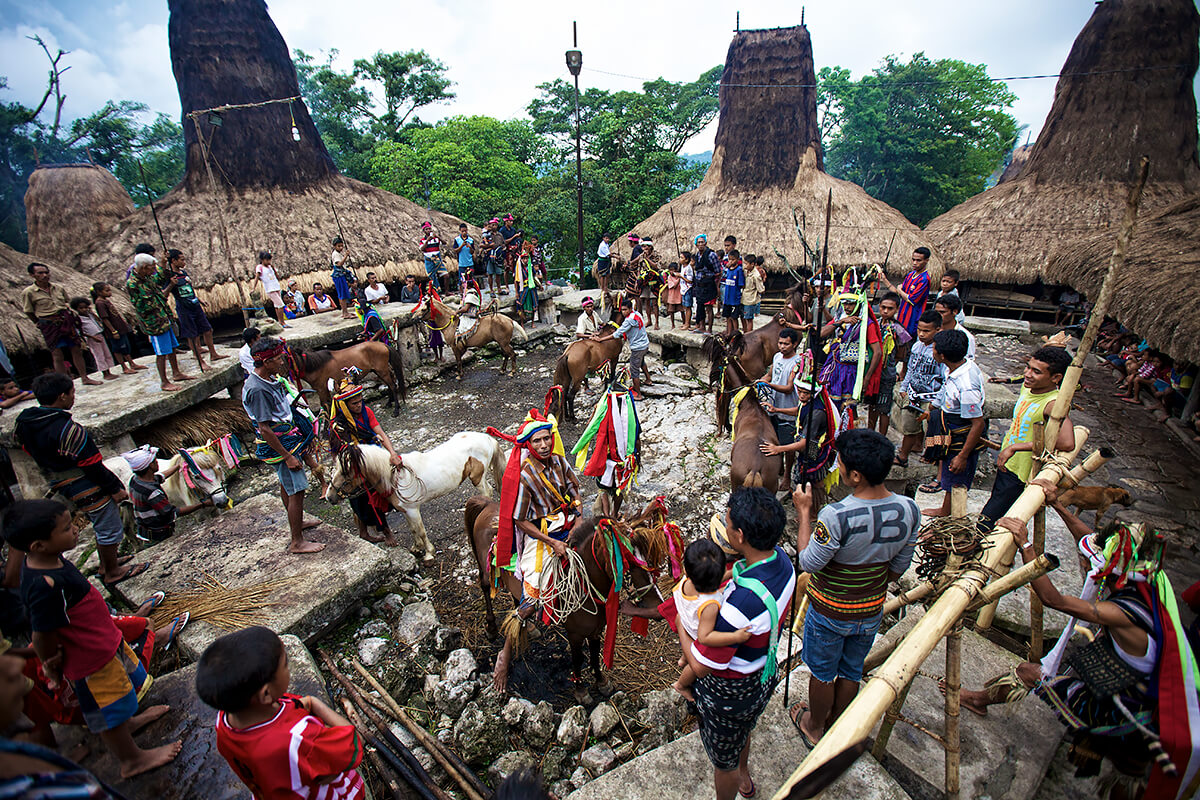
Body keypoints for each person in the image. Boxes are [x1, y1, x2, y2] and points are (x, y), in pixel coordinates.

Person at [957, 497, 1196, 800]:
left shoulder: (1121, 612)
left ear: (1106, 568)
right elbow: (1086, 538)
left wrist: (1026, 546)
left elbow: (1054, 601)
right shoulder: (1147, 581)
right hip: (1132, 690)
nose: (1084, 563)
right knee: (1128, 770)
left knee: (1030, 674)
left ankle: (977, 700)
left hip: (1128, 706)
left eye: (1090, 561)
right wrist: (1057, 503)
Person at [3, 499, 182, 778]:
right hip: (90, 658)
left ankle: (130, 722)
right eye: (66, 528)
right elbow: (42, 633)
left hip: (103, 640)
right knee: (107, 710)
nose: (76, 530)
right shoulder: (44, 586)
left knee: (121, 694)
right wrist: (50, 662)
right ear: (38, 544)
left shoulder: (50, 559)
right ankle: (131, 759)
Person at [789, 429, 920, 748]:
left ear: (855, 475)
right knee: (850, 671)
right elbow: (897, 569)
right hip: (871, 608)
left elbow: (809, 562)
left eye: (841, 463)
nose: (837, 467)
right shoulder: (909, 510)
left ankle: (814, 725)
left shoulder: (837, 516)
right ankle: (837, 721)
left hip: (829, 611)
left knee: (822, 672)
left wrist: (805, 512)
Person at [682, 487, 795, 800]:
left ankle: (732, 779)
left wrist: (680, 625)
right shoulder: (783, 562)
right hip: (764, 675)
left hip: (732, 692)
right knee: (744, 729)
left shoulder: (738, 607)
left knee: (723, 762)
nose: (724, 525)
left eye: (728, 523)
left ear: (741, 536)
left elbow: (702, 666)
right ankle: (743, 773)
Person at [196, 626, 365, 800]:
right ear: (266, 694)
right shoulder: (298, 739)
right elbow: (354, 745)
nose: (289, 668)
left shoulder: (224, 723)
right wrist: (316, 704)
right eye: (285, 664)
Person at [13, 373, 143, 587]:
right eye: (72, 393)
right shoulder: (69, 430)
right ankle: (112, 571)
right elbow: (92, 465)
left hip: (56, 479)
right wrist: (115, 488)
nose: (74, 397)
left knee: (101, 524)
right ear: (62, 396)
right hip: (83, 483)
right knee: (108, 525)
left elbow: (25, 448)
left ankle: (107, 563)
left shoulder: (25, 424)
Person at [490, 413, 582, 693]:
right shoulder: (526, 475)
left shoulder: (560, 461)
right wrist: (551, 542)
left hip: (568, 526)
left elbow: (575, 491)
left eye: (546, 439)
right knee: (535, 592)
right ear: (529, 444)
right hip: (541, 536)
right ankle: (505, 653)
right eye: (537, 441)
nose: (543, 445)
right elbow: (520, 520)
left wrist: (578, 519)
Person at [241, 337, 326, 554]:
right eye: (278, 358)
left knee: (285, 485)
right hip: (280, 443)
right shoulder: (258, 389)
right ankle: (297, 541)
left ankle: (297, 522)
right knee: (297, 489)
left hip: (285, 435)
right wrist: (288, 456)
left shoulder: (269, 379)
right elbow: (265, 428)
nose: (281, 362)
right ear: (266, 361)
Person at [977, 347, 1075, 531]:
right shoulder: (1029, 387)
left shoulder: (1053, 404)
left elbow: (1067, 442)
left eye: (1036, 371)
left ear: (1055, 378)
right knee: (995, 510)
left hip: (1021, 473)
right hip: (1009, 464)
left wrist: (1016, 447)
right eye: (1028, 367)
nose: (1027, 374)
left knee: (988, 521)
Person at [671, 538, 752, 700]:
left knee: (687, 638)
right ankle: (681, 685)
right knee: (694, 669)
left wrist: (732, 573)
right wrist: (735, 637)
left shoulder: (688, 580)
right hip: (696, 631)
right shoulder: (710, 605)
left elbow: (711, 581)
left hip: (686, 618)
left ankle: (683, 658)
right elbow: (704, 636)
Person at [328, 381, 402, 547]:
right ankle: (379, 531)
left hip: (372, 457)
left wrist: (392, 453)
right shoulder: (339, 424)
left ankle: (376, 528)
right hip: (353, 461)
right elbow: (338, 450)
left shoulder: (366, 411)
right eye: (354, 403)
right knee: (359, 498)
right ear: (344, 405)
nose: (358, 405)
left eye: (360, 400)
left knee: (383, 489)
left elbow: (379, 432)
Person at [921, 329, 986, 516]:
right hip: (949, 421)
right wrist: (932, 408)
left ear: (942, 355)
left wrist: (963, 455)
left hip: (961, 430)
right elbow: (945, 388)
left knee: (956, 472)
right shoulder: (957, 368)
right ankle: (946, 508)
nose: (932, 351)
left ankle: (949, 513)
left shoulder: (967, 385)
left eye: (934, 348)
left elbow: (977, 423)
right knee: (949, 469)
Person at [761, 363, 839, 512]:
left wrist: (778, 449)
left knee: (814, 481)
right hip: (809, 445)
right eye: (800, 391)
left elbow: (804, 443)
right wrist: (777, 409)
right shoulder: (808, 403)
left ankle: (813, 512)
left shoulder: (816, 414)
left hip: (813, 449)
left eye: (806, 392)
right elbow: (799, 410)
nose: (802, 395)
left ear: (813, 393)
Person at [22, 263, 100, 386]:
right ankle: (64, 383)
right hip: (49, 323)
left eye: (46, 272)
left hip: (65, 320)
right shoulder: (29, 292)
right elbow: (28, 311)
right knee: (57, 354)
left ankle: (85, 378)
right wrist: (38, 322)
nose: (45, 275)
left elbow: (66, 302)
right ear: (32, 275)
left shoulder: (58, 288)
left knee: (76, 349)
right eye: (40, 273)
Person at [127, 253, 195, 392]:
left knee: (172, 347)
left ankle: (176, 373)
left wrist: (164, 264)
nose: (154, 270)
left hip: (164, 317)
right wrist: (169, 287)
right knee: (161, 352)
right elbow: (150, 304)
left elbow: (159, 278)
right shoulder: (133, 284)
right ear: (144, 267)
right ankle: (164, 382)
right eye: (152, 268)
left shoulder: (147, 277)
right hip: (155, 323)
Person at [121, 445, 214, 543]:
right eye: (154, 461)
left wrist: (178, 465)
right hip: (158, 535)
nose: (157, 462)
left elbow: (160, 476)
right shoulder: (153, 493)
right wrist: (202, 504)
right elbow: (173, 513)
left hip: (146, 531)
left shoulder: (136, 480)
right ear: (150, 466)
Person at [892, 310, 946, 467]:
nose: (922, 334)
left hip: (930, 396)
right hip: (914, 393)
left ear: (938, 330)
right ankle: (903, 456)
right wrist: (904, 386)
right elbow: (911, 369)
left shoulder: (940, 352)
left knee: (931, 428)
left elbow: (945, 379)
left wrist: (936, 402)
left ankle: (931, 456)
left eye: (926, 331)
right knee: (909, 426)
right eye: (919, 330)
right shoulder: (916, 346)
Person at [165, 249, 227, 370]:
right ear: (174, 260)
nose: (184, 262)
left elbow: (190, 289)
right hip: (184, 307)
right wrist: (172, 284)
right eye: (181, 260)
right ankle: (200, 360)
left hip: (194, 304)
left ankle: (213, 354)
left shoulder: (184, 273)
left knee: (208, 330)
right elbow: (165, 293)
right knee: (192, 335)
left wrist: (199, 299)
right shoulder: (169, 276)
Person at [820, 292, 882, 411]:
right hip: (834, 367)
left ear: (859, 304)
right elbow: (822, 333)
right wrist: (841, 322)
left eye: (851, 304)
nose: (847, 307)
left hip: (850, 372)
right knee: (830, 406)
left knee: (848, 408)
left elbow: (877, 352)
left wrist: (866, 378)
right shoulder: (840, 318)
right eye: (844, 303)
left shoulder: (867, 324)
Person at [757, 328, 802, 493]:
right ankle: (779, 468)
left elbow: (789, 388)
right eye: (780, 343)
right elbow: (770, 375)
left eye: (786, 344)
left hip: (787, 409)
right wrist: (762, 380)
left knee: (788, 446)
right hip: (772, 408)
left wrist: (769, 385)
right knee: (773, 440)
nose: (782, 346)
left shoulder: (797, 363)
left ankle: (787, 476)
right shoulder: (777, 357)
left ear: (795, 344)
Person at [867, 292, 912, 435]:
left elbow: (903, 352)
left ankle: (881, 436)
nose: (886, 311)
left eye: (890, 308)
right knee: (872, 405)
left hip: (887, 373)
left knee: (884, 408)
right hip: (873, 371)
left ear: (896, 309)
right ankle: (870, 433)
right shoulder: (874, 324)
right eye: (883, 307)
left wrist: (899, 367)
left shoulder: (898, 328)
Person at [592, 295, 651, 400]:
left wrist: (601, 339)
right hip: (645, 344)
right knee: (642, 362)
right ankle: (648, 379)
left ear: (630, 309)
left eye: (625, 310)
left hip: (637, 347)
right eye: (622, 310)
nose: (623, 312)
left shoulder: (629, 320)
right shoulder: (637, 314)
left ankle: (638, 394)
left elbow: (618, 333)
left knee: (634, 370)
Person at [91, 281, 144, 375]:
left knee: (125, 347)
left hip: (120, 328)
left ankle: (131, 363)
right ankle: (124, 367)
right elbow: (105, 319)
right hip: (114, 330)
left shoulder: (105, 301)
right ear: (99, 292)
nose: (109, 292)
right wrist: (113, 331)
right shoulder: (100, 303)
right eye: (107, 291)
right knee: (118, 348)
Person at [880, 247, 932, 338]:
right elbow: (898, 293)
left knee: (906, 344)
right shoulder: (910, 275)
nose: (915, 263)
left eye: (918, 260)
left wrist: (900, 290)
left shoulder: (924, 279)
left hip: (912, 319)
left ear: (926, 260)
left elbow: (911, 299)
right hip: (901, 317)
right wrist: (884, 280)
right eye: (913, 260)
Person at [69, 296, 119, 381]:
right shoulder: (78, 319)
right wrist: (92, 337)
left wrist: (91, 312)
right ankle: (104, 373)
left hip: (99, 335)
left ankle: (109, 371)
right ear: (76, 308)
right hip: (92, 338)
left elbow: (98, 320)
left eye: (85, 307)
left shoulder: (90, 315)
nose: (84, 309)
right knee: (99, 355)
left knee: (106, 353)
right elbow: (81, 331)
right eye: (81, 308)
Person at [692, 235, 721, 334]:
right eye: (698, 242)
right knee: (700, 306)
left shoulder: (711, 255)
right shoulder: (697, 256)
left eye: (702, 242)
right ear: (696, 245)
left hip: (709, 285)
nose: (700, 244)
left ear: (705, 243)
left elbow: (718, 271)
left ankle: (710, 329)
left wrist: (716, 284)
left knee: (709, 308)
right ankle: (702, 326)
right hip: (699, 284)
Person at [934, 293, 975, 360]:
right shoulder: (931, 330)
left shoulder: (967, 337)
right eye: (936, 312)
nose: (938, 315)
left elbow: (968, 361)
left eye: (942, 312)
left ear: (955, 312)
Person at [255, 250, 289, 328]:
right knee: (280, 305)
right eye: (267, 260)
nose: (268, 261)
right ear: (262, 260)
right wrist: (254, 287)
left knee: (277, 306)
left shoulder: (270, 267)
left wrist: (273, 268)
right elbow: (257, 277)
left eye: (269, 260)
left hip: (276, 287)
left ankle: (280, 321)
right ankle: (282, 322)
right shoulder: (260, 267)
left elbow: (277, 277)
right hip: (270, 289)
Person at [515, 241, 541, 326]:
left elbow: (534, 277)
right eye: (524, 258)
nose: (525, 260)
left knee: (534, 305)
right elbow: (516, 281)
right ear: (521, 259)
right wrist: (516, 292)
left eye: (526, 258)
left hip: (531, 288)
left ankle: (533, 322)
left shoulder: (531, 267)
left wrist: (539, 285)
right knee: (521, 305)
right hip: (523, 288)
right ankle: (522, 323)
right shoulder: (519, 268)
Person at [330, 237, 356, 319]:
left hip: (341, 276)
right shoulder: (335, 254)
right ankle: (344, 312)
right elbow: (339, 264)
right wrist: (346, 256)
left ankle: (346, 311)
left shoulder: (338, 254)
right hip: (338, 276)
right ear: (334, 246)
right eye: (339, 246)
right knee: (342, 294)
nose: (341, 248)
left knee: (344, 294)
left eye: (342, 246)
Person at [721, 250, 745, 336]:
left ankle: (735, 333)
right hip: (727, 298)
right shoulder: (728, 270)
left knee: (734, 317)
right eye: (729, 260)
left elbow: (741, 284)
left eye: (733, 260)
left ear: (738, 260)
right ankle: (729, 332)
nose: (731, 262)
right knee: (728, 316)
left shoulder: (739, 270)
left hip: (734, 299)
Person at [741, 254, 765, 333]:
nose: (745, 265)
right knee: (743, 317)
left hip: (750, 300)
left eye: (746, 263)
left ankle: (748, 335)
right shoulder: (746, 271)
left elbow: (761, 289)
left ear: (752, 264)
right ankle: (745, 332)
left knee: (749, 319)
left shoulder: (756, 275)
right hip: (744, 297)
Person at [453, 223, 475, 292]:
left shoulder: (471, 240)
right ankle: (462, 294)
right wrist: (462, 245)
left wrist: (470, 247)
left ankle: (470, 292)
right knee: (461, 280)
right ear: (460, 231)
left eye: (465, 231)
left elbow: (472, 252)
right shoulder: (457, 240)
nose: (464, 232)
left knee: (470, 279)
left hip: (470, 263)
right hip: (462, 263)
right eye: (462, 231)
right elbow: (455, 250)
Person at [679, 251, 695, 330]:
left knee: (688, 307)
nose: (680, 259)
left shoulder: (688, 268)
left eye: (682, 258)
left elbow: (690, 280)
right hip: (683, 289)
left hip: (688, 288)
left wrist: (681, 277)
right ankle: (686, 322)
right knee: (685, 306)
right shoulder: (682, 267)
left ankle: (687, 323)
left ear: (686, 259)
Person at [664, 262, 683, 328]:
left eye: (673, 270)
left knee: (682, 310)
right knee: (671, 311)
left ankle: (684, 323)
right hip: (672, 297)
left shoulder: (680, 276)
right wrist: (679, 278)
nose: (671, 272)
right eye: (670, 270)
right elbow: (674, 286)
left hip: (679, 296)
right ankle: (673, 324)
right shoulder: (669, 277)